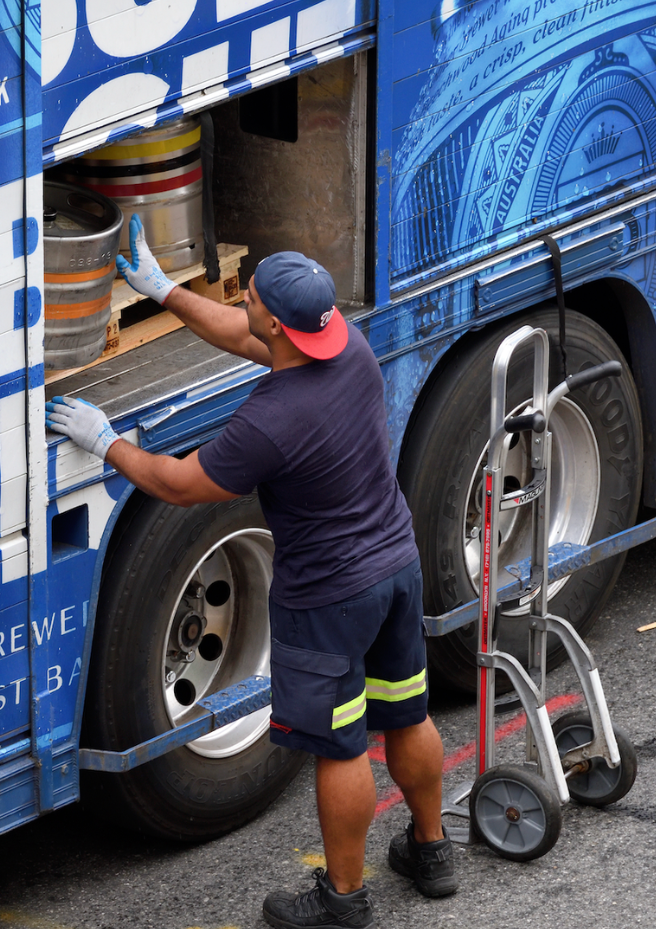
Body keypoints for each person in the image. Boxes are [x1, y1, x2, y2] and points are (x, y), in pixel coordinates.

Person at [45, 218, 457, 928]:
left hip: (329, 595)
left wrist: (105, 442)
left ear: (278, 323)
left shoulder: (270, 421)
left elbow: (175, 484)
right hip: (395, 563)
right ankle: (431, 849)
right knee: (408, 710)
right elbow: (245, 339)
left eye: (253, 300)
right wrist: (165, 291)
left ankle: (344, 901)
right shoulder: (347, 350)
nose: (247, 307)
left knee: (340, 744)